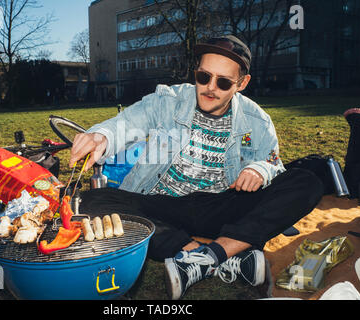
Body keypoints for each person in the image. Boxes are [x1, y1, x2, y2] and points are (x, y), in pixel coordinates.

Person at [69, 35, 324, 300]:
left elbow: (274, 163)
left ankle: (207, 256)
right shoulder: (168, 100)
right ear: (196, 74)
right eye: (204, 77)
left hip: (220, 207)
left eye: (223, 82)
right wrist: (101, 136)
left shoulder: (257, 120)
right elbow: (126, 122)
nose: (210, 88)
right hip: (162, 203)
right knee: (85, 201)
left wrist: (259, 169)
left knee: (308, 181)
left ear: (242, 83)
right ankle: (207, 256)